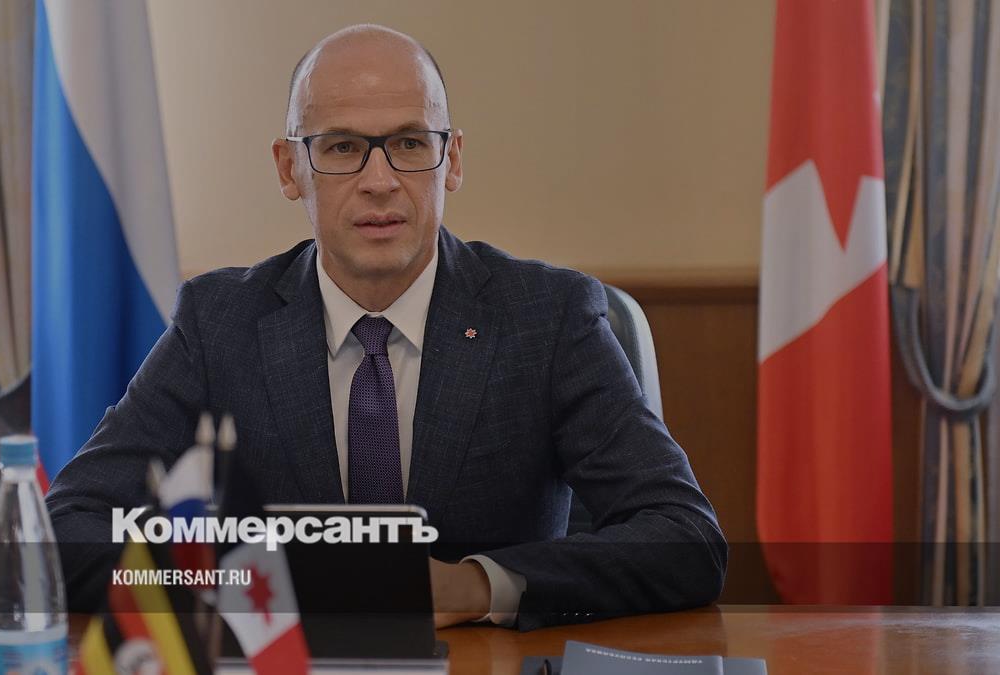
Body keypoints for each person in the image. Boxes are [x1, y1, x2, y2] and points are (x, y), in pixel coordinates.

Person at [46, 24, 726, 631]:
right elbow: (64, 529)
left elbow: (686, 536)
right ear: (289, 168)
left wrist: (478, 585)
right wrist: (241, 586)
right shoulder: (219, 321)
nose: (380, 180)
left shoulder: (547, 318)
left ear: (452, 160)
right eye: (342, 147)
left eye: (408, 143)